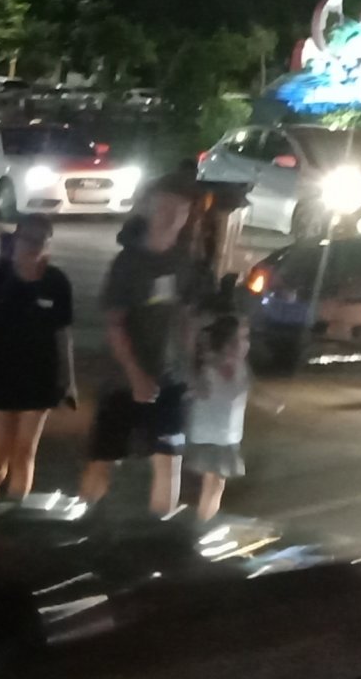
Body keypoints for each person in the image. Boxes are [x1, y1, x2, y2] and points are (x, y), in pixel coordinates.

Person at [83, 178, 204, 515]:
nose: (173, 216)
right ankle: (86, 525)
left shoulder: (185, 262)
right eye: (165, 207)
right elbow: (115, 324)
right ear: (150, 209)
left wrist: (192, 368)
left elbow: (187, 319)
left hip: (171, 380)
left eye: (181, 210)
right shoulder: (128, 263)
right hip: (122, 381)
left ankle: (158, 532)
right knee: (103, 458)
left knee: (169, 460)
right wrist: (135, 375)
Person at [0, 212, 75, 498]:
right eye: (29, 238)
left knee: (25, 450)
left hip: (40, 375)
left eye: (41, 239)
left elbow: (63, 333)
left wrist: (68, 380)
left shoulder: (56, 282)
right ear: (16, 239)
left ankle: (15, 510)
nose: (34, 244)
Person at [186, 311, 250, 519]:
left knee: (214, 485)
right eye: (242, 338)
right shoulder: (209, 367)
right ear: (228, 344)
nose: (246, 344)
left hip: (226, 436)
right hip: (212, 436)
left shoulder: (240, 367)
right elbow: (198, 389)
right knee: (213, 486)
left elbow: (247, 389)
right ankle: (204, 521)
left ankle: (204, 519)